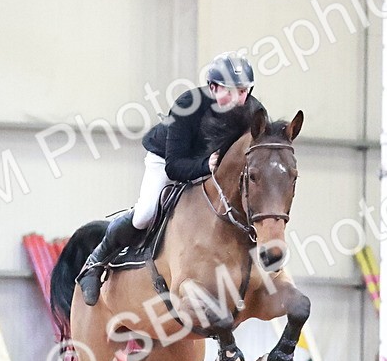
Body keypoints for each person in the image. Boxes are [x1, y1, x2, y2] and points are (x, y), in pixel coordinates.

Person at [76, 52, 264, 307]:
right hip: (168, 160)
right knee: (145, 213)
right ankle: (95, 261)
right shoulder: (189, 104)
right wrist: (204, 167)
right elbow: (175, 166)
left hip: (214, 172)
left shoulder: (254, 111)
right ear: (212, 87)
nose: (238, 99)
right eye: (230, 91)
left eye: (243, 91)